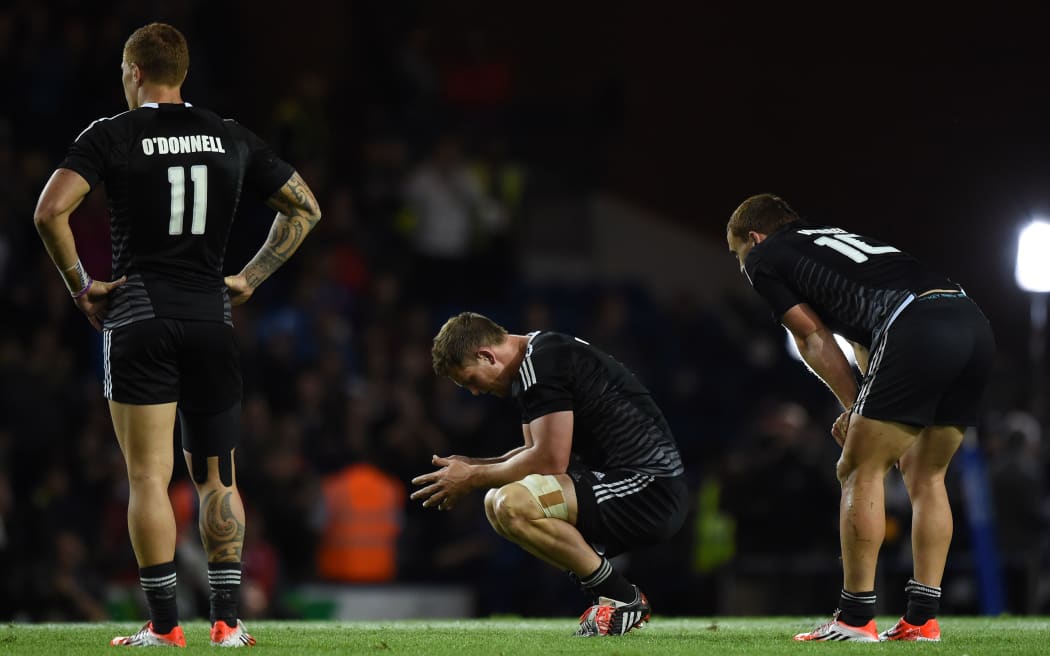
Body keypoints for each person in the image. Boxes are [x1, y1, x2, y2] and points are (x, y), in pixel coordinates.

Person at [33, 23, 321, 647]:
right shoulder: (229, 134)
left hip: (139, 317)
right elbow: (305, 208)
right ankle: (228, 622)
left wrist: (81, 285)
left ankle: (165, 627)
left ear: (135, 72)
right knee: (219, 478)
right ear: (181, 73)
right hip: (211, 318)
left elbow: (50, 211)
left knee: (148, 478)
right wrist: (250, 277)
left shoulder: (112, 133)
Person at [726, 193, 994, 642]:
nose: (741, 265)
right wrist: (866, 402)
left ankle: (854, 618)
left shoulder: (765, 255)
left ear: (754, 237)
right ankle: (922, 620)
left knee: (856, 467)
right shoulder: (829, 241)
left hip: (916, 326)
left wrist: (855, 407)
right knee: (926, 476)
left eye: (737, 253)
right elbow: (866, 336)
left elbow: (811, 337)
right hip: (970, 322)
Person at [413, 312, 690, 636]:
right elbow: (534, 452)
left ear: (486, 356)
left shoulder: (542, 363)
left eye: (471, 380)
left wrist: (472, 477)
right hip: (621, 482)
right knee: (496, 502)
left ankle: (622, 598)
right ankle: (613, 597)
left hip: (649, 488)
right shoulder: (534, 360)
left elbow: (549, 461)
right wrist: (473, 465)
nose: (475, 392)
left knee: (512, 504)